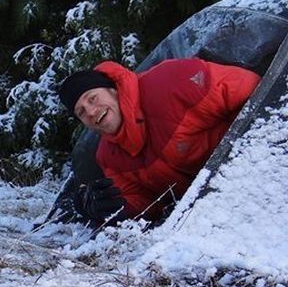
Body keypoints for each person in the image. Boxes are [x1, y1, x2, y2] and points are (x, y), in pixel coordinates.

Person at [58, 57, 261, 224]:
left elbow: (256, 90)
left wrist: (246, 157)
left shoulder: (174, 80)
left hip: (260, 162)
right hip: (217, 212)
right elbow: (146, 202)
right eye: (81, 112)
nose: (91, 112)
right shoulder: (108, 156)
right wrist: (107, 207)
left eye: (92, 98)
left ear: (113, 90)